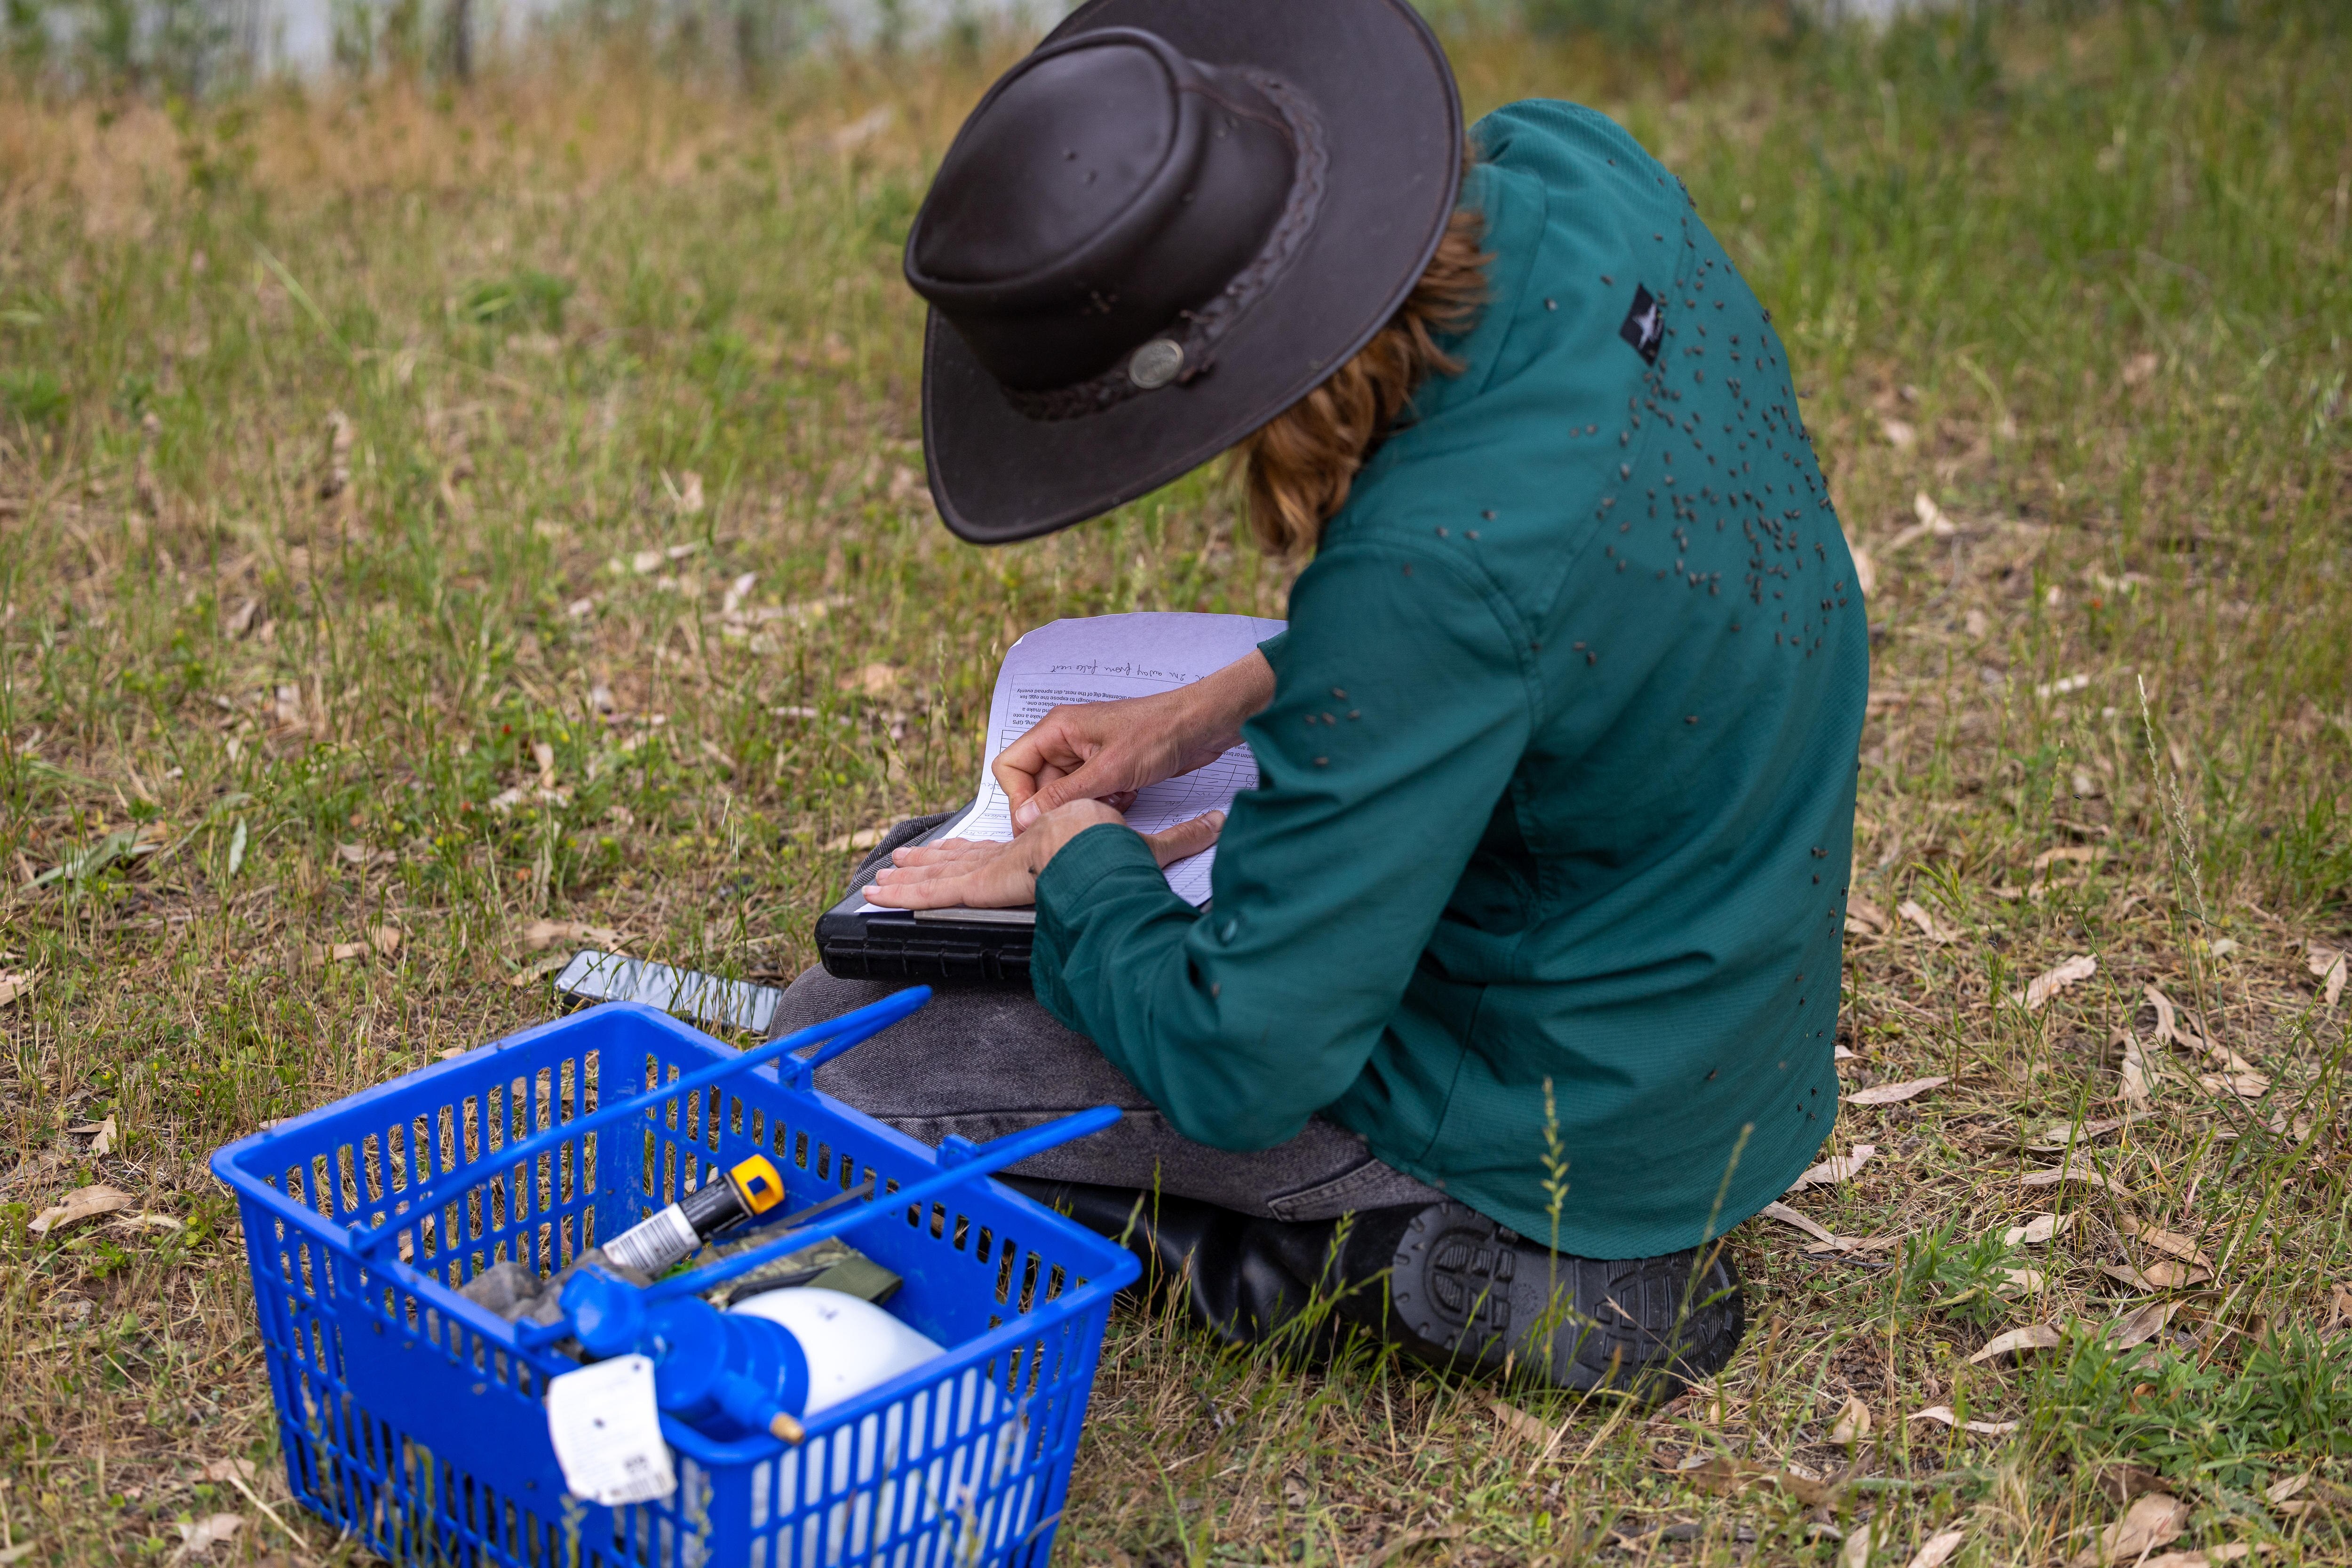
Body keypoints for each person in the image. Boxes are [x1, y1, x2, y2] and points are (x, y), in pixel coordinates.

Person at [772, 0, 1869, 1396]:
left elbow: (1241, 1062)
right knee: (890, 949)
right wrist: (1210, 711)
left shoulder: (1425, 577)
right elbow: (1563, 588)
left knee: (829, 1063)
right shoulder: (1572, 173)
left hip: (1569, 1120)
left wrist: (1081, 863)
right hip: (1712, 983)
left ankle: (1493, 1271)